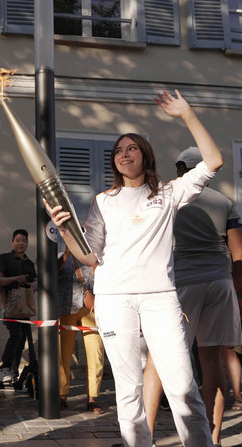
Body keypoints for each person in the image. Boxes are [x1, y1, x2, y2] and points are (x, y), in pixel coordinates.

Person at [48, 90, 222, 447]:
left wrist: (187, 114)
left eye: (131, 148)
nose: (124, 154)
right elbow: (89, 257)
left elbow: (214, 161)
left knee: (183, 386)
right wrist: (66, 229)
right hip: (114, 301)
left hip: (161, 299)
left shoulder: (169, 192)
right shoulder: (104, 201)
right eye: (118, 151)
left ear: (145, 155)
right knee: (128, 392)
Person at [142, 146, 242, 446]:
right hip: (220, 283)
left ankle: (143, 436)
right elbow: (238, 256)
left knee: (158, 359)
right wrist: (238, 296)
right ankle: (210, 438)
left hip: (180, 283)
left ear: (180, 169)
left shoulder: (167, 195)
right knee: (212, 361)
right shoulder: (226, 203)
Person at [57, 245, 104, 413]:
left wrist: (92, 261)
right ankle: (62, 396)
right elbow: (52, 273)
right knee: (63, 354)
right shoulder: (59, 248)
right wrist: (66, 254)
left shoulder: (95, 251)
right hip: (65, 307)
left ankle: (92, 397)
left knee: (96, 352)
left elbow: (104, 276)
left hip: (90, 308)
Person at [0, 229, 38, 383]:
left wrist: (34, 285)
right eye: (18, 240)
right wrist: (17, 278)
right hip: (7, 306)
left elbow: (36, 281)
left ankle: (13, 374)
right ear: (13, 242)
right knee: (17, 335)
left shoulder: (29, 262)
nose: (21, 243)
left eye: (24, 240)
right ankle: (5, 369)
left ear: (27, 243)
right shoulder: (4, 258)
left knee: (21, 339)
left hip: (24, 307)